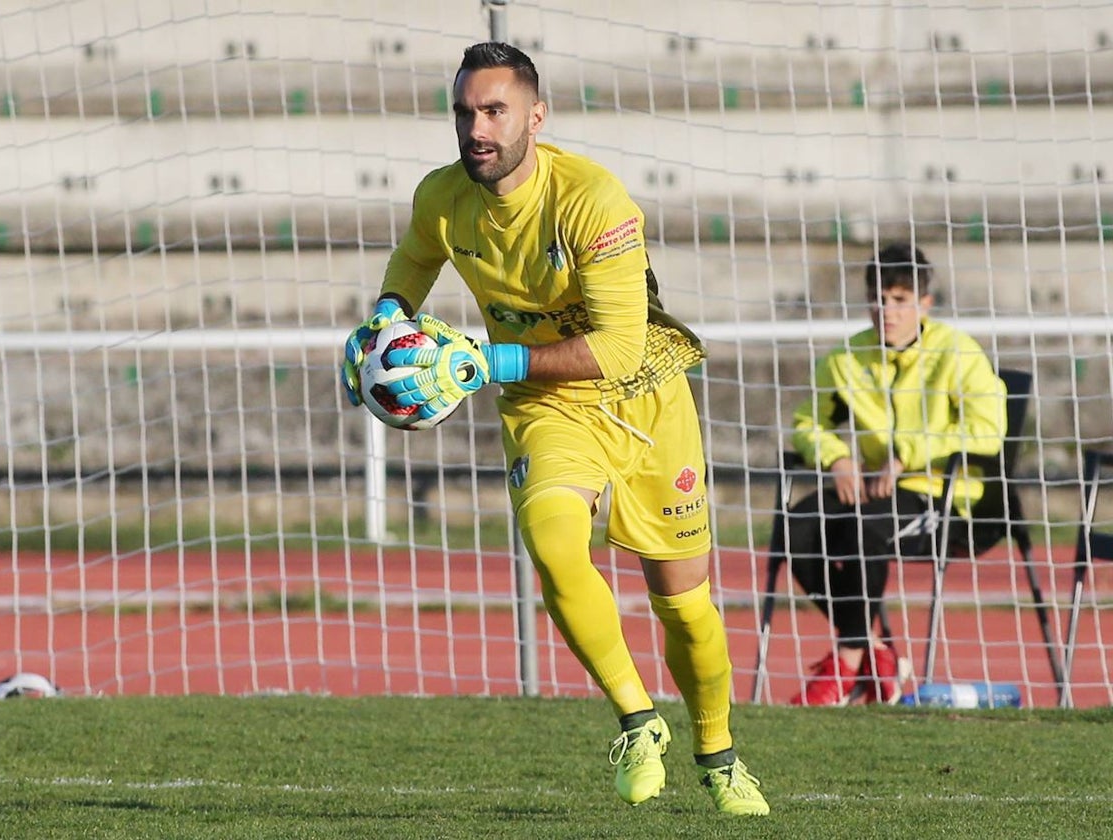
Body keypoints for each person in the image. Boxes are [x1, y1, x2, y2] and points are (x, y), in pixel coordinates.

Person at [339, 42, 769, 815]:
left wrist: (490, 360)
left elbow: (617, 347)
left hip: (643, 401)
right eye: (466, 112)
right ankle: (639, 723)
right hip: (547, 407)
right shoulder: (442, 197)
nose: (478, 128)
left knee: (684, 606)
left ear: (536, 117)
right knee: (554, 543)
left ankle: (719, 755)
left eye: (495, 111)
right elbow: (411, 263)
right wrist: (384, 323)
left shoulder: (594, 201)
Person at [781, 243, 1007, 706]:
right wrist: (836, 457)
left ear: (925, 303)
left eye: (900, 299)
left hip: (944, 498)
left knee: (863, 529)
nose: (887, 309)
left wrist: (908, 453)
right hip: (872, 488)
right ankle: (873, 649)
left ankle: (847, 660)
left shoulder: (957, 351)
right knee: (796, 525)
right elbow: (807, 422)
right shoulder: (847, 359)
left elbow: (989, 431)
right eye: (878, 297)